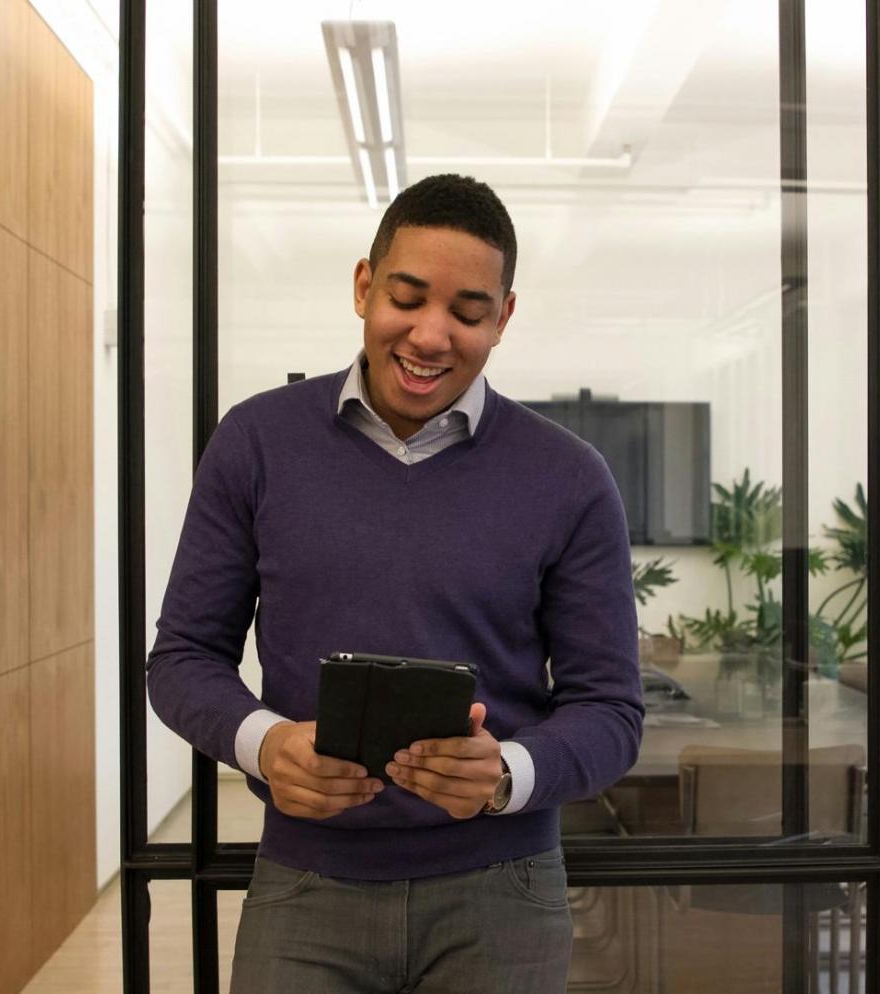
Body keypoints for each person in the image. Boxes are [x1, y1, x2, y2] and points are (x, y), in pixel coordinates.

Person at [145, 173, 644, 993]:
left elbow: (612, 712)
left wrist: (507, 773)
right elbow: (183, 659)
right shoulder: (256, 442)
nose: (431, 335)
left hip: (503, 895)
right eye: (406, 298)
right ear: (362, 286)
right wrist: (265, 744)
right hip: (307, 886)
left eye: (469, 313)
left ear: (504, 318)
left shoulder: (570, 477)